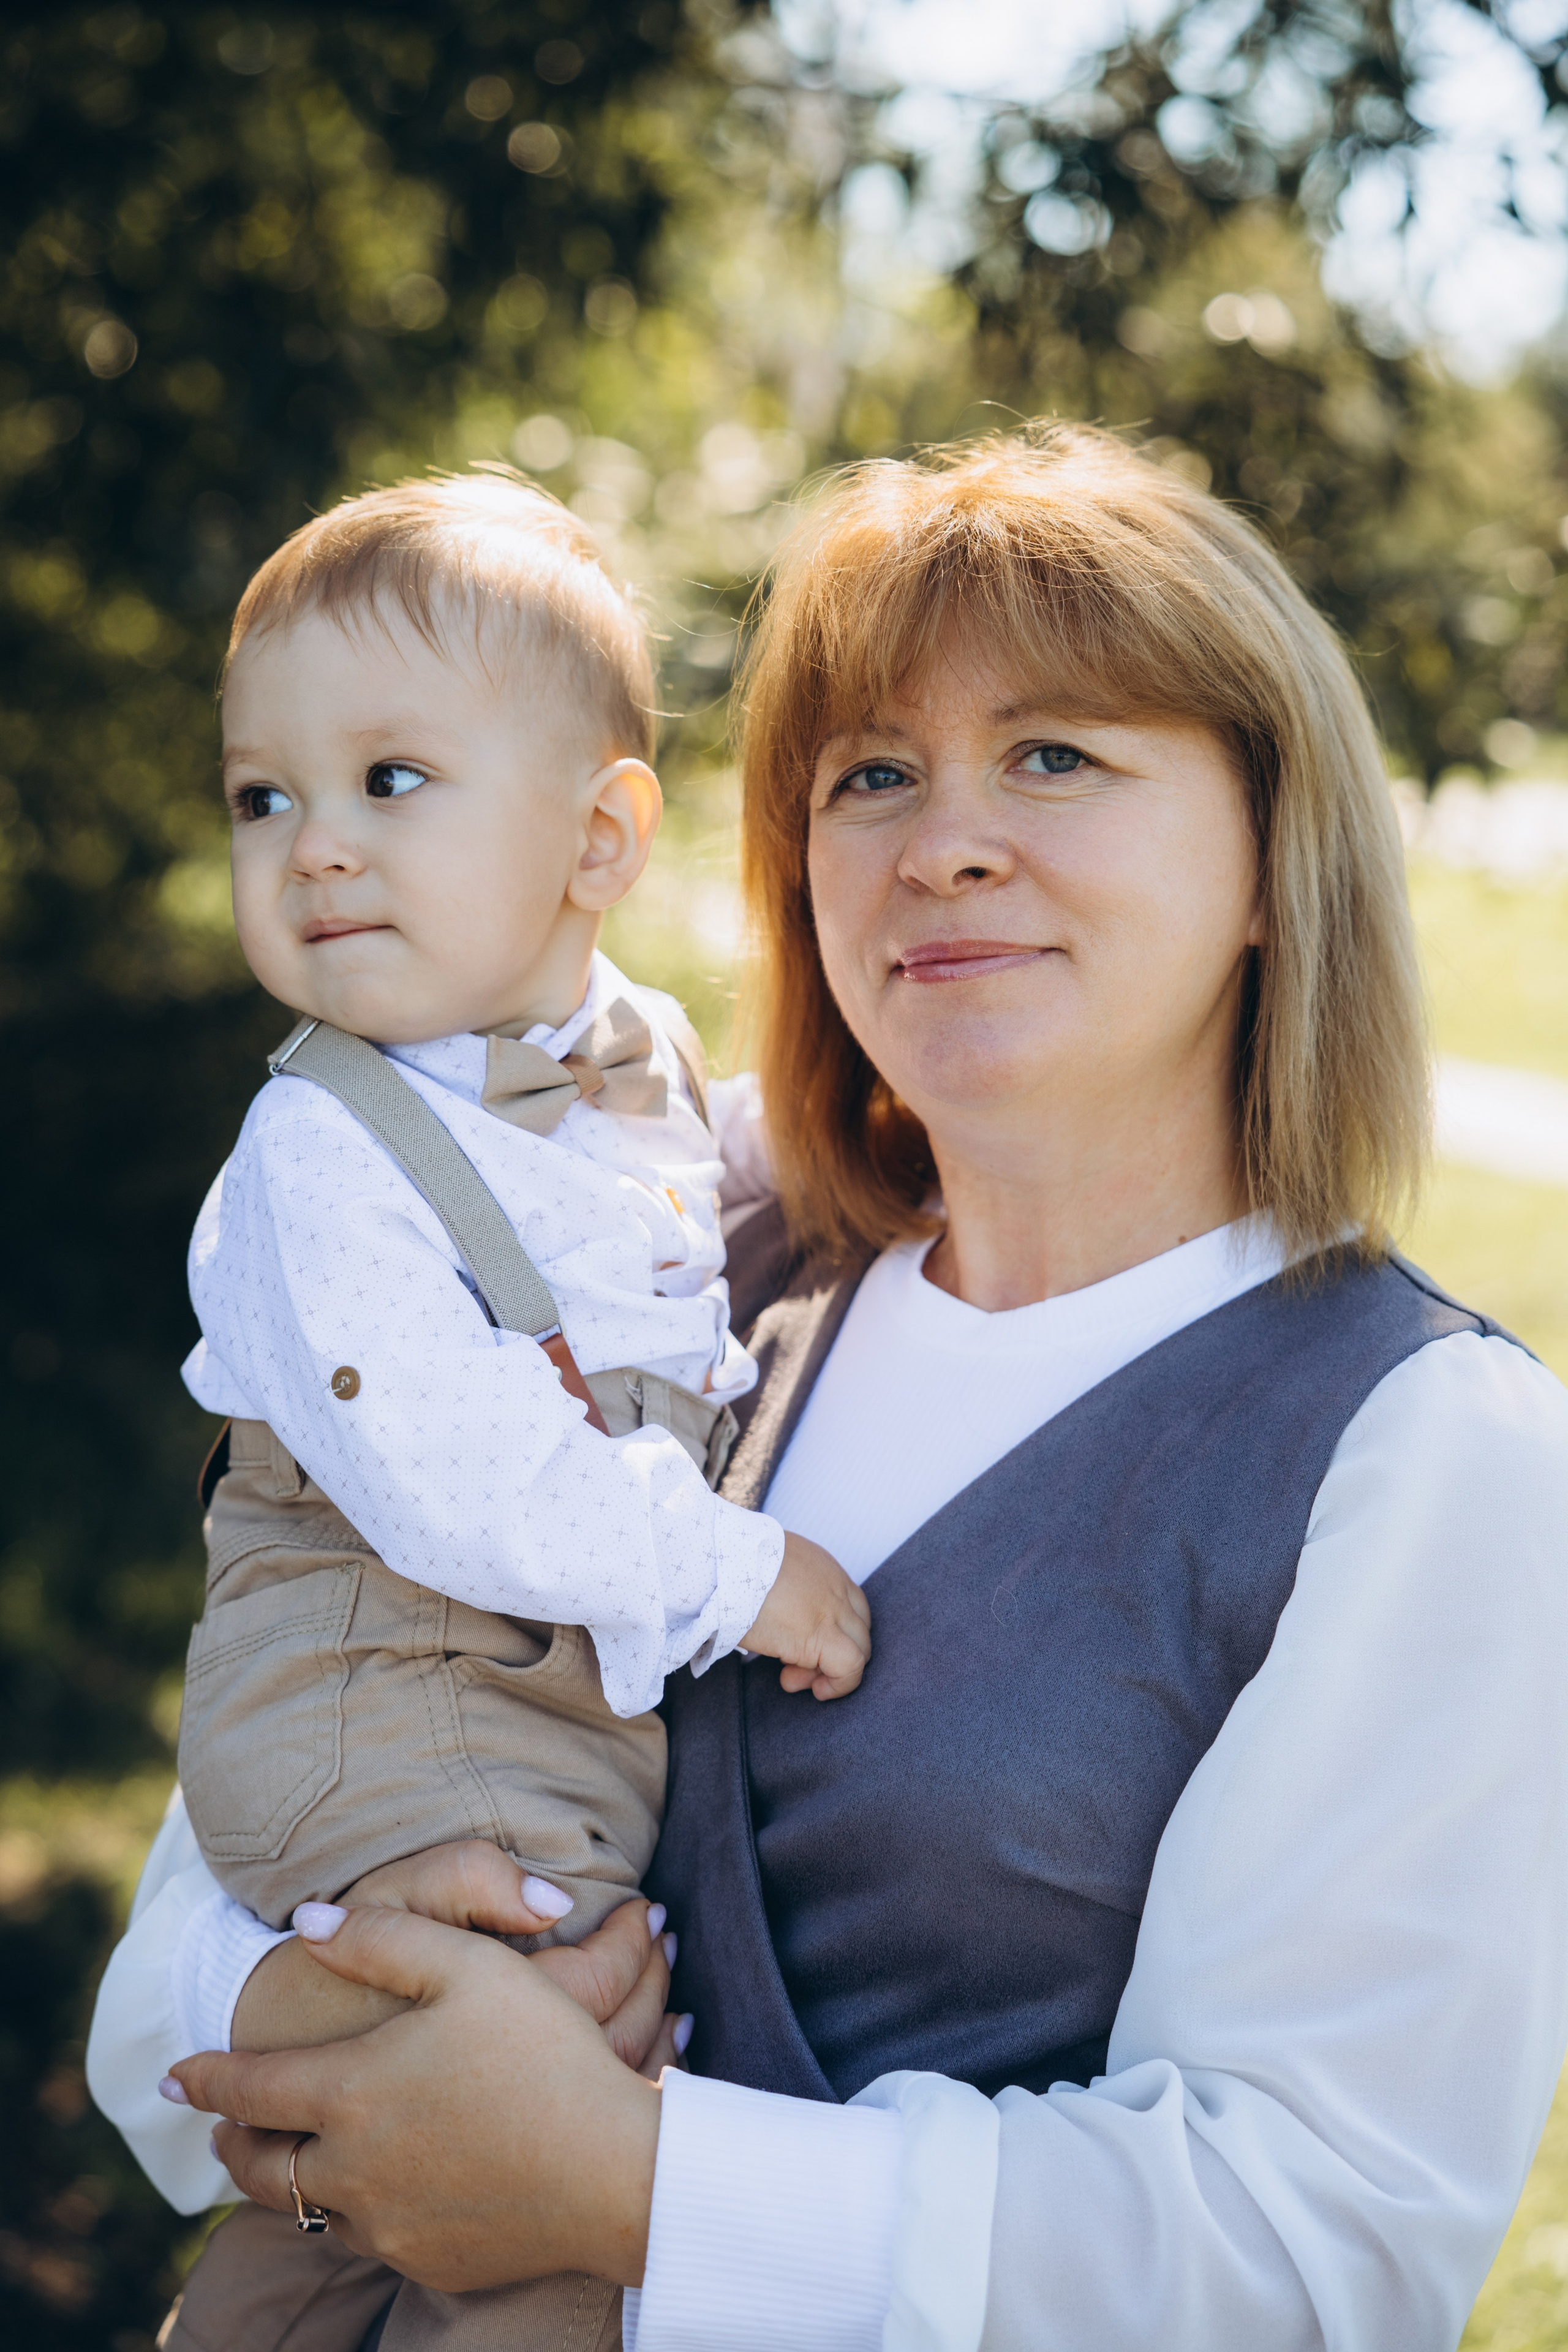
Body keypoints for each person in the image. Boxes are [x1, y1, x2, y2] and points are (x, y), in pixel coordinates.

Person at [92, 428, 1568, 2352]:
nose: (943, 837)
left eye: (1056, 753)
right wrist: (311, 2036)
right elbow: (165, 1979)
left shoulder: (1425, 1454)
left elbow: (1306, 2259)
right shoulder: (661, 1232)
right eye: (872, 772)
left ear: (1273, 858)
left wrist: (621, 2180)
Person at [94, 468, 869, 2352]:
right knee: (529, 2179)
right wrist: (739, 1568)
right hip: (391, 1697)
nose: (315, 847)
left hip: (529, 1725)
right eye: (262, 796)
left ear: (602, 840)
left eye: (389, 780)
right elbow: (455, 1480)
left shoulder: (650, 1071)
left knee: (376, 2196)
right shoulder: (319, 1147)